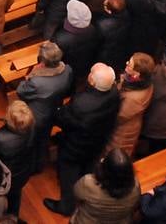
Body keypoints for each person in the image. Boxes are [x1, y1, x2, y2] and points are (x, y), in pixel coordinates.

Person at [45, 63, 122, 216]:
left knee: (68, 173)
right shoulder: (114, 93)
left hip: (76, 145)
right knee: (87, 168)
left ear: (92, 81)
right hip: (98, 140)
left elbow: (65, 120)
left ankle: (67, 206)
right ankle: (86, 195)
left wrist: (57, 113)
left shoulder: (82, 103)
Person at [17, 41, 75, 174]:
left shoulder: (37, 82)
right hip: (54, 110)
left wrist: (29, 76)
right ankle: (40, 165)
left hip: (37, 116)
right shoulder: (67, 70)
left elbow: (21, 91)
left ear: (42, 62)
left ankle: (31, 168)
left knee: (31, 143)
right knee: (43, 139)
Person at [72, 148, 141, 224]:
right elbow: (135, 205)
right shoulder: (135, 187)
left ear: (104, 168)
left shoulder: (88, 183)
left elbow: (76, 195)